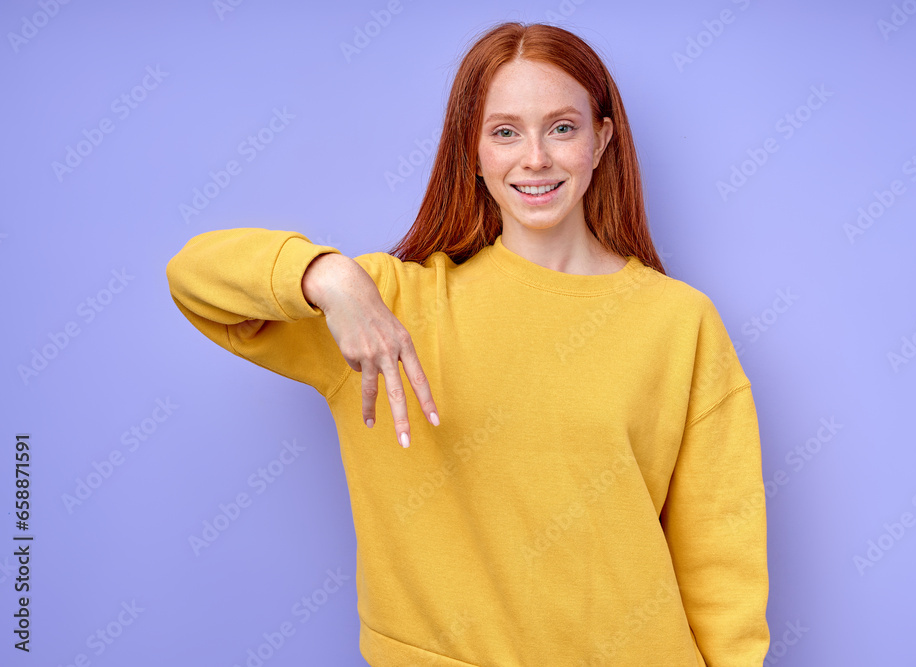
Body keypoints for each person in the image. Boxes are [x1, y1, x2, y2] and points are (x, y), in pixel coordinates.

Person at [166, 20, 770, 666]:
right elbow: (192, 278)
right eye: (505, 131)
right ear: (473, 153)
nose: (534, 157)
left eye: (561, 127)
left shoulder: (681, 322)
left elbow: (723, 572)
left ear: (602, 139)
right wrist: (326, 276)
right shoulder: (387, 309)